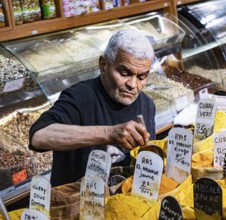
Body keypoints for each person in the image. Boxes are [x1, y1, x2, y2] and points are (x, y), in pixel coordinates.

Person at [29, 29, 156, 187]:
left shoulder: (147, 104)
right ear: (103, 65)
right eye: (124, 73)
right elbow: (38, 137)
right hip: (76, 205)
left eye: (141, 77)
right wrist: (108, 133)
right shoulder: (79, 97)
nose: (132, 85)